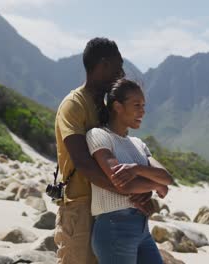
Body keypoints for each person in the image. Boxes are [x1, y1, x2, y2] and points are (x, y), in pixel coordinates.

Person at [54, 38, 153, 264]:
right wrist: (130, 193)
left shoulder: (108, 107)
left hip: (109, 209)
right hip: (80, 206)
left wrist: (141, 190)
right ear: (103, 65)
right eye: (118, 67)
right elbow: (83, 163)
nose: (122, 73)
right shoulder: (74, 105)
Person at [86, 78, 173, 264]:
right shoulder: (99, 136)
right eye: (137, 105)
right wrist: (154, 185)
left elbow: (167, 179)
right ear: (117, 106)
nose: (142, 111)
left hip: (142, 229)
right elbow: (122, 184)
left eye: (143, 105)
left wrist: (136, 169)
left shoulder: (138, 144)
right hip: (114, 227)